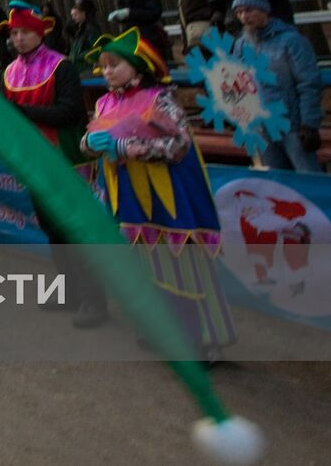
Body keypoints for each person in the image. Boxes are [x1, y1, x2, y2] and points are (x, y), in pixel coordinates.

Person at [81, 29, 236, 361]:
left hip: (168, 196)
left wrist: (125, 146)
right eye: (104, 66)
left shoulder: (158, 98)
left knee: (183, 264)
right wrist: (88, 144)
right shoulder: (104, 102)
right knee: (144, 264)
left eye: (114, 64)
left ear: (138, 67)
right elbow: (93, 138)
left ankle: (204, 341)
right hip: (128, 198)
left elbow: (178, 144)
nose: (107, 71)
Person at [0, 3, 105, 328]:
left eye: (25, 32)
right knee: (53, 230)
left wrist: (23, 113)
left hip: (67, 160)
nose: (19, 39)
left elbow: (71, 113)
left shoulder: (62, 68)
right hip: (35, 162)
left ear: (40, 32)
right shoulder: (9, 72)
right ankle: (69, 291)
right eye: (14, 33)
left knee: (74, 230)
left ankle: (94, 299)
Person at [229, 0, 323, 172]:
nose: (244, 16)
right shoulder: (241, 45)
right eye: (239, 12)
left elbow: (309, 83)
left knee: (309, 180)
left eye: (249, 10)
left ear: (264, 10)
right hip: (261, 126)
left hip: (292, 125)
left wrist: (310, 124)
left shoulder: (291, 41)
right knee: (275, 184)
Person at [64, 0, 105, 70]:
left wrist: (75, 57)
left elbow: (96, 48)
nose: (73, 17)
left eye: (75, 14)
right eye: (72, 15)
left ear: (83, 13)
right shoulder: (80, 29)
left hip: (88, 68)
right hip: (79, 68)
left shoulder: (91, 28)